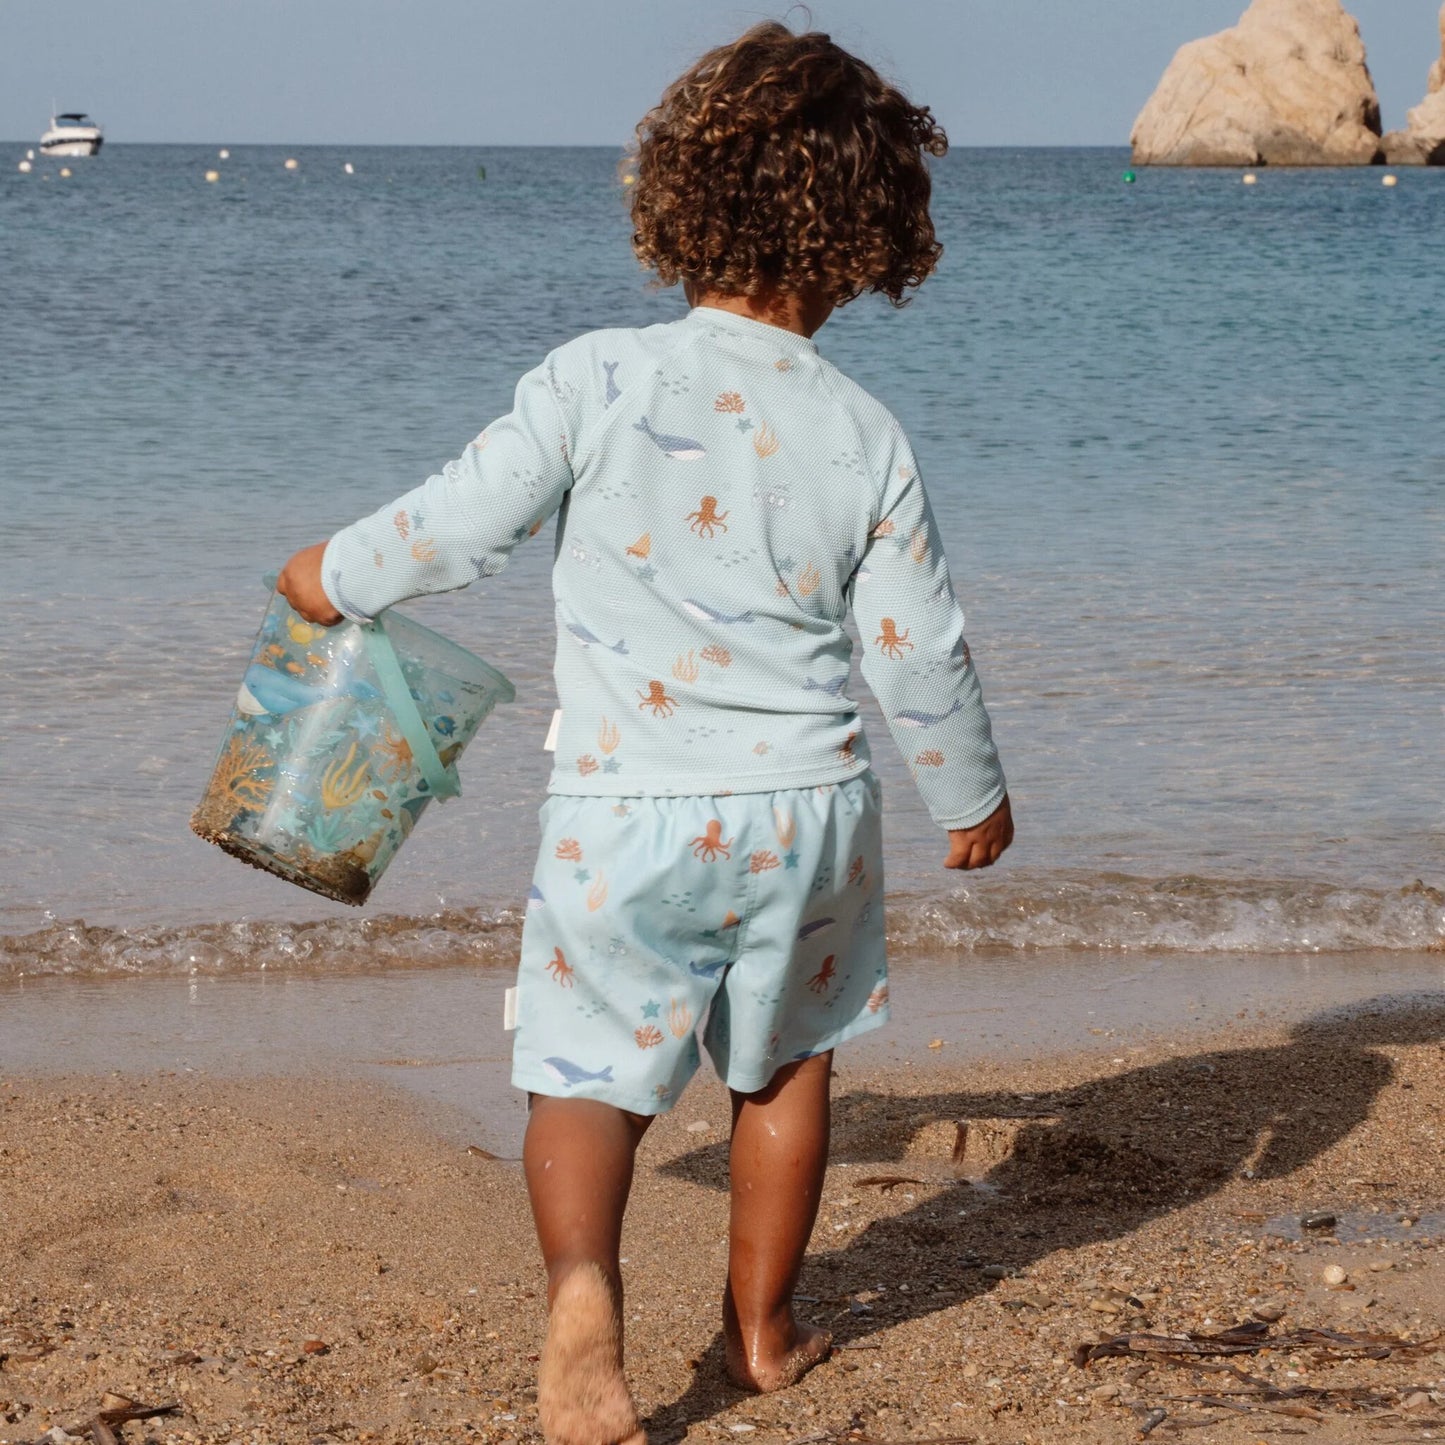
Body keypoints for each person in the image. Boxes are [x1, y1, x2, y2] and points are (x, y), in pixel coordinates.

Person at [278, 19, 1012, 1444]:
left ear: (677, 192)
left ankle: (580, 1301)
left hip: (623, 811)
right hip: (808, 807)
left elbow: (459, 523)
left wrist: (332, 572)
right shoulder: (863, 430)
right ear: (871, 230)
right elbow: (915, 643)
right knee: (787, 1067)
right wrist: (969, 795)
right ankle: (758, 1331)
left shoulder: (595, 378)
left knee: (582, 1068)